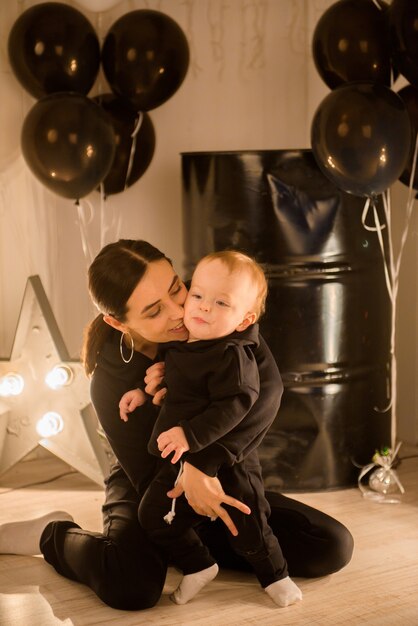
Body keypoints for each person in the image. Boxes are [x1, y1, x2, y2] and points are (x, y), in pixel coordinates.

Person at [0, 239, 354, 611]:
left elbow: (267, 393)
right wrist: (188, 469)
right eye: (153, 310)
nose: (179, 311)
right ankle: (51, 533)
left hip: (222, 468)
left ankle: (187, 548)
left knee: (329, 546)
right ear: (118, 322)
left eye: (176, 289)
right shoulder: (109, 381)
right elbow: (144, 468)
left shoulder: (212, 307)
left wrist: (205, 466)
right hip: (150, 485)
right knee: (131, 587)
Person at [121, 250, 302, 607]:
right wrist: (145, 392)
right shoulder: (186, 339)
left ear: (243, 319)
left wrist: (190, 435)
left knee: (247, 524)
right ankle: (199, 565)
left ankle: (274, 575)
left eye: (221, 303)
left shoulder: (233, 354)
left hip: (227, 459)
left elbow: (237, 403)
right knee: (152, 516)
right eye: (199, 294)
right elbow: (177, 383)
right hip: (177, 457)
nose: (203, 307)